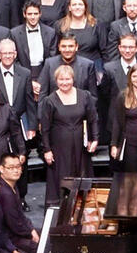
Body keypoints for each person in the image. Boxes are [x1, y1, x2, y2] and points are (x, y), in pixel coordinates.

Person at [0, 39, 37, 204]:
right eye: (4, 53)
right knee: (3, 162)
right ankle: (3, 197)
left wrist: (32, 126)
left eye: (10, 53)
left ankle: (21, 197)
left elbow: (29, 101)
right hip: (0, 126)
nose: (7, 56)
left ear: (15, 54)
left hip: (20, 123)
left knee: (20, 162)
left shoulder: (25, 73)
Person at [40, 65, 98, 205]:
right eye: (61, 79)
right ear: (56, 81)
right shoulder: (49, 100)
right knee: (62, 177)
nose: (64, 82)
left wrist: (95, 138)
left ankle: (82, 207)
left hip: (81, 146)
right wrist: (47, 150)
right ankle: (63, 211)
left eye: (67, 79)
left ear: (73, 79)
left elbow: (93, 119)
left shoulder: (85, 95)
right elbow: (45, 129)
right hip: (60, 148)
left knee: (82, 175)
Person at [0, 154, 42, 253]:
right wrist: (30, 234)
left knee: (47, 235)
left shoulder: (12, 185)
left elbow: (20, 215)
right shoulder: (5, 193)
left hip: (15, 232)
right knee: (41, 248)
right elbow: (14, 224)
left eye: (18, 167)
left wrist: (31, 229)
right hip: (8, 238)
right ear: (1, 169)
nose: (16, 170)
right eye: (11, 167)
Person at [57, 0, 105, 74]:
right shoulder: (60, 25)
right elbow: (56, 50)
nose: (77, 7)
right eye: (74, 5)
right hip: (67, 68)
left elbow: (104, 49)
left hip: (93, 67)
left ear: (85, 7)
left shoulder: (96, 24)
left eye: (80, 4)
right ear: (69, 7)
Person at [38, 33, 98, 97]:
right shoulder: (50, 63)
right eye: (63, 46)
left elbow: (93, 96)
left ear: (76, 47)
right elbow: (43, 93)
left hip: (80, 106)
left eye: (71, 46)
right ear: (59, 47)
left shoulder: (88, 65)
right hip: (54, 106)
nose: (67, 50)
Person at [10, 1, 58, 82]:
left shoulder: (50, 32)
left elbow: (52, 58)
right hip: (22, 73)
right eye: (29, 14)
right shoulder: (15, 33)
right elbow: (14, 59)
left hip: (44, 72)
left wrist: (43, 78)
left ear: (40, 14)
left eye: (35, 14)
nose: (33, 17)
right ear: (24, 14)